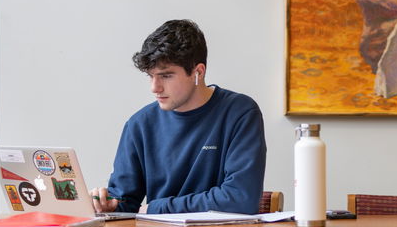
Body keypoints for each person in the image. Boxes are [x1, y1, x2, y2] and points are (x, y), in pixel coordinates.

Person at [91, 19, 267, 214]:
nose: (154, 88)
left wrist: (158, 207)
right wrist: (107, 205)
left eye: (166, 76)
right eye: (151, 76)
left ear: (198, 72)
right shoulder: (139, 125)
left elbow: (240, 199)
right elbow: (125, 204)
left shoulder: (240, 113)